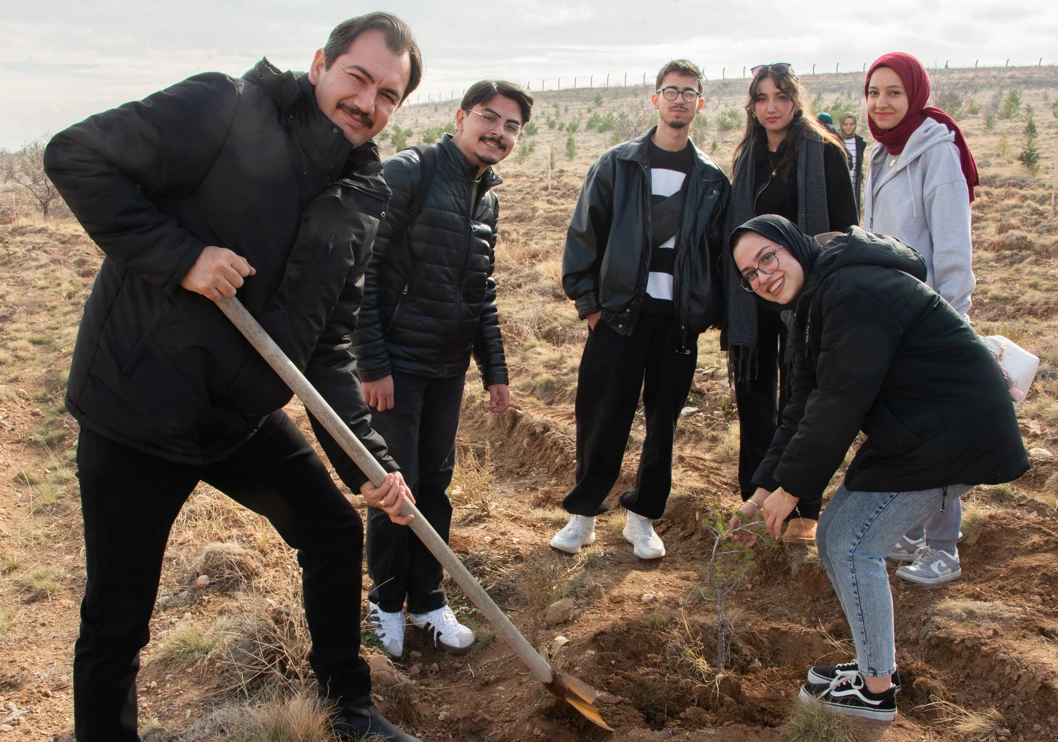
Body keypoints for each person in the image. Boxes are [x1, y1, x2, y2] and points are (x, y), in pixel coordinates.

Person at [43, 14, 424, 742]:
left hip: (236, 419)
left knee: (336, 530)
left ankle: (348, 706)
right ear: (320, 64)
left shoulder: (357, 204)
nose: (369, 102)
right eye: (359, 77)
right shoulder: (223, 109)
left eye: (389, 95)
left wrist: (368, 463)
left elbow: (326, 350)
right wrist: (181, 257)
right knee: (118, 618)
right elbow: (77, 156)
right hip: (138, 408)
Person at [727, 215, 1028, 721]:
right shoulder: (812, 303)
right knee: (839, 538)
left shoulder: (851, 290)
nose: (763, 276)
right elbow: (801, 406)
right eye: (750, 274)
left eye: (767, 257)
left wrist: (791, 491)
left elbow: (839, 402)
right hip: (920, 430)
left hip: (952, 433)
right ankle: (873, 667)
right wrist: (761, 494)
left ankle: (875, 692)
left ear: (792, 246)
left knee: (849, 541)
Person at [355, 80, 531, 658]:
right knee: (395, 488)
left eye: (511, 127)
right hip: (396, 367)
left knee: (434, 485)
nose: (499, 132)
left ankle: (428, 600)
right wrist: (373, 363)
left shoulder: (489, 196)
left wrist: (494, 369)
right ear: (461, 116)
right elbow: (366, 274)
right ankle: (384, 603)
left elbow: (482, 289)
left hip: (447, 368)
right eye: (489, 117)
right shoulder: (410, 173)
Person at [552, 59, 731, 560]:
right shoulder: (618, 164)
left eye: (689, 92)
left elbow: (719, 253)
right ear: (654, 99)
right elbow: (584, 235)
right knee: (601, 417)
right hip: (618, 318)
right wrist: (591, 308)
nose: (679, 99)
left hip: (677, 324)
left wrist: (706, 312)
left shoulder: (713, 179)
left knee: (663, 424)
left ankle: (642, 518)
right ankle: (583, 514)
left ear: (700, 104)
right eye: (670, 90)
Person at [860, 51, 981, 585]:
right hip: (887, 316)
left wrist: (951, 320)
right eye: (873, 92)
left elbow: (953, 246)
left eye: (893, 93)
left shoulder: (936, 151)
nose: (881, 103)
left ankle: (942, 549)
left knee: (937, 434)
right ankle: (907, 533)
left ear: (915, 95)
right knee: (901, 429)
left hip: (929, 318)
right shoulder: (879, 156)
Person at [723, 62, 856, 542]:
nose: (770, 107)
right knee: (754, 399)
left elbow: (844, 230)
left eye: (780, 96)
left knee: (802, 398)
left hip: (806, 294)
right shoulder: (748, 157)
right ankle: (754, 499)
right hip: (756, 296)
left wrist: (826, 291)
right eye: (761, 98)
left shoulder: (824, 154)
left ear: (796, 100)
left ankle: (801, 507)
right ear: (752, 106)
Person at [839, 114, 868, 215]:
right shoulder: (836, 140)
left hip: (855, 185)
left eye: (851, 124)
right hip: (840, 185)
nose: (848, 127)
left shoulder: (860, 143)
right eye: (846, 124)